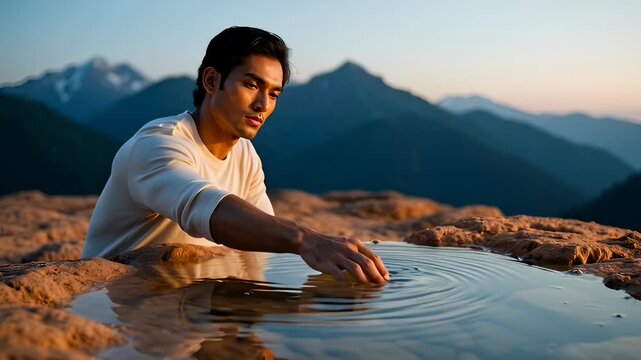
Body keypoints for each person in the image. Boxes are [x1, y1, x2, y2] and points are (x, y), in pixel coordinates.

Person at [82, 26, 389, 284]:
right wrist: (307, 239)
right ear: (213, 81)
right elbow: (201, 205)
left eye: (273, 93)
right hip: (117, 312)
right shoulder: (156, 145)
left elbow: (261, 239)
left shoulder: (245, 154)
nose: (263, 105)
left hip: (185, 304)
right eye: (251, 85)